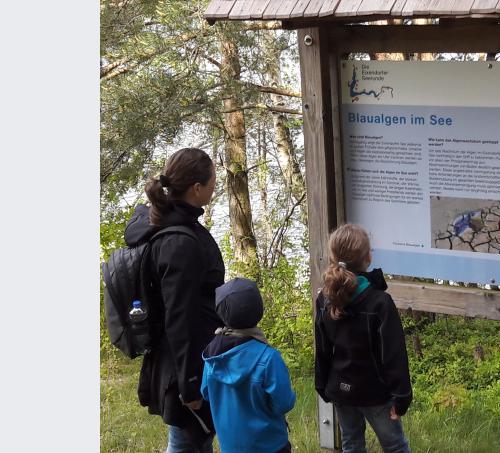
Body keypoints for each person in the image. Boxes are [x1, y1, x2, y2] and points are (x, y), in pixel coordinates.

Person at [123, 147, 224, 453]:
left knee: (197, 440)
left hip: (185, 359)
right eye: (212, 181)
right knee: (184, 443)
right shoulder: (179, 241)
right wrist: (190, 383)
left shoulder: (171, 225)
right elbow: (180, 318)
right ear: (196, 188)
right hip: (184, 364)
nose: (214, 187)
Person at [314, 224, 413, 453]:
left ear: (333, 257)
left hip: (340, 390)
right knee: (395, 446)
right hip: (375, 393)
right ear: (367, 257)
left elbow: (322, 349)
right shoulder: (379, 303)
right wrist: (402, 397)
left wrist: (322, 385)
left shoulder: (324, 300)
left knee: (352, 443)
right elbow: (394, 354)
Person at [201, 278, 295, 453]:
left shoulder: (212, 355)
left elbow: (206, 393)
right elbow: (283, 403)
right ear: (258, 310)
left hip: (230, 447)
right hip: (271, 446)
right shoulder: (268, 358)